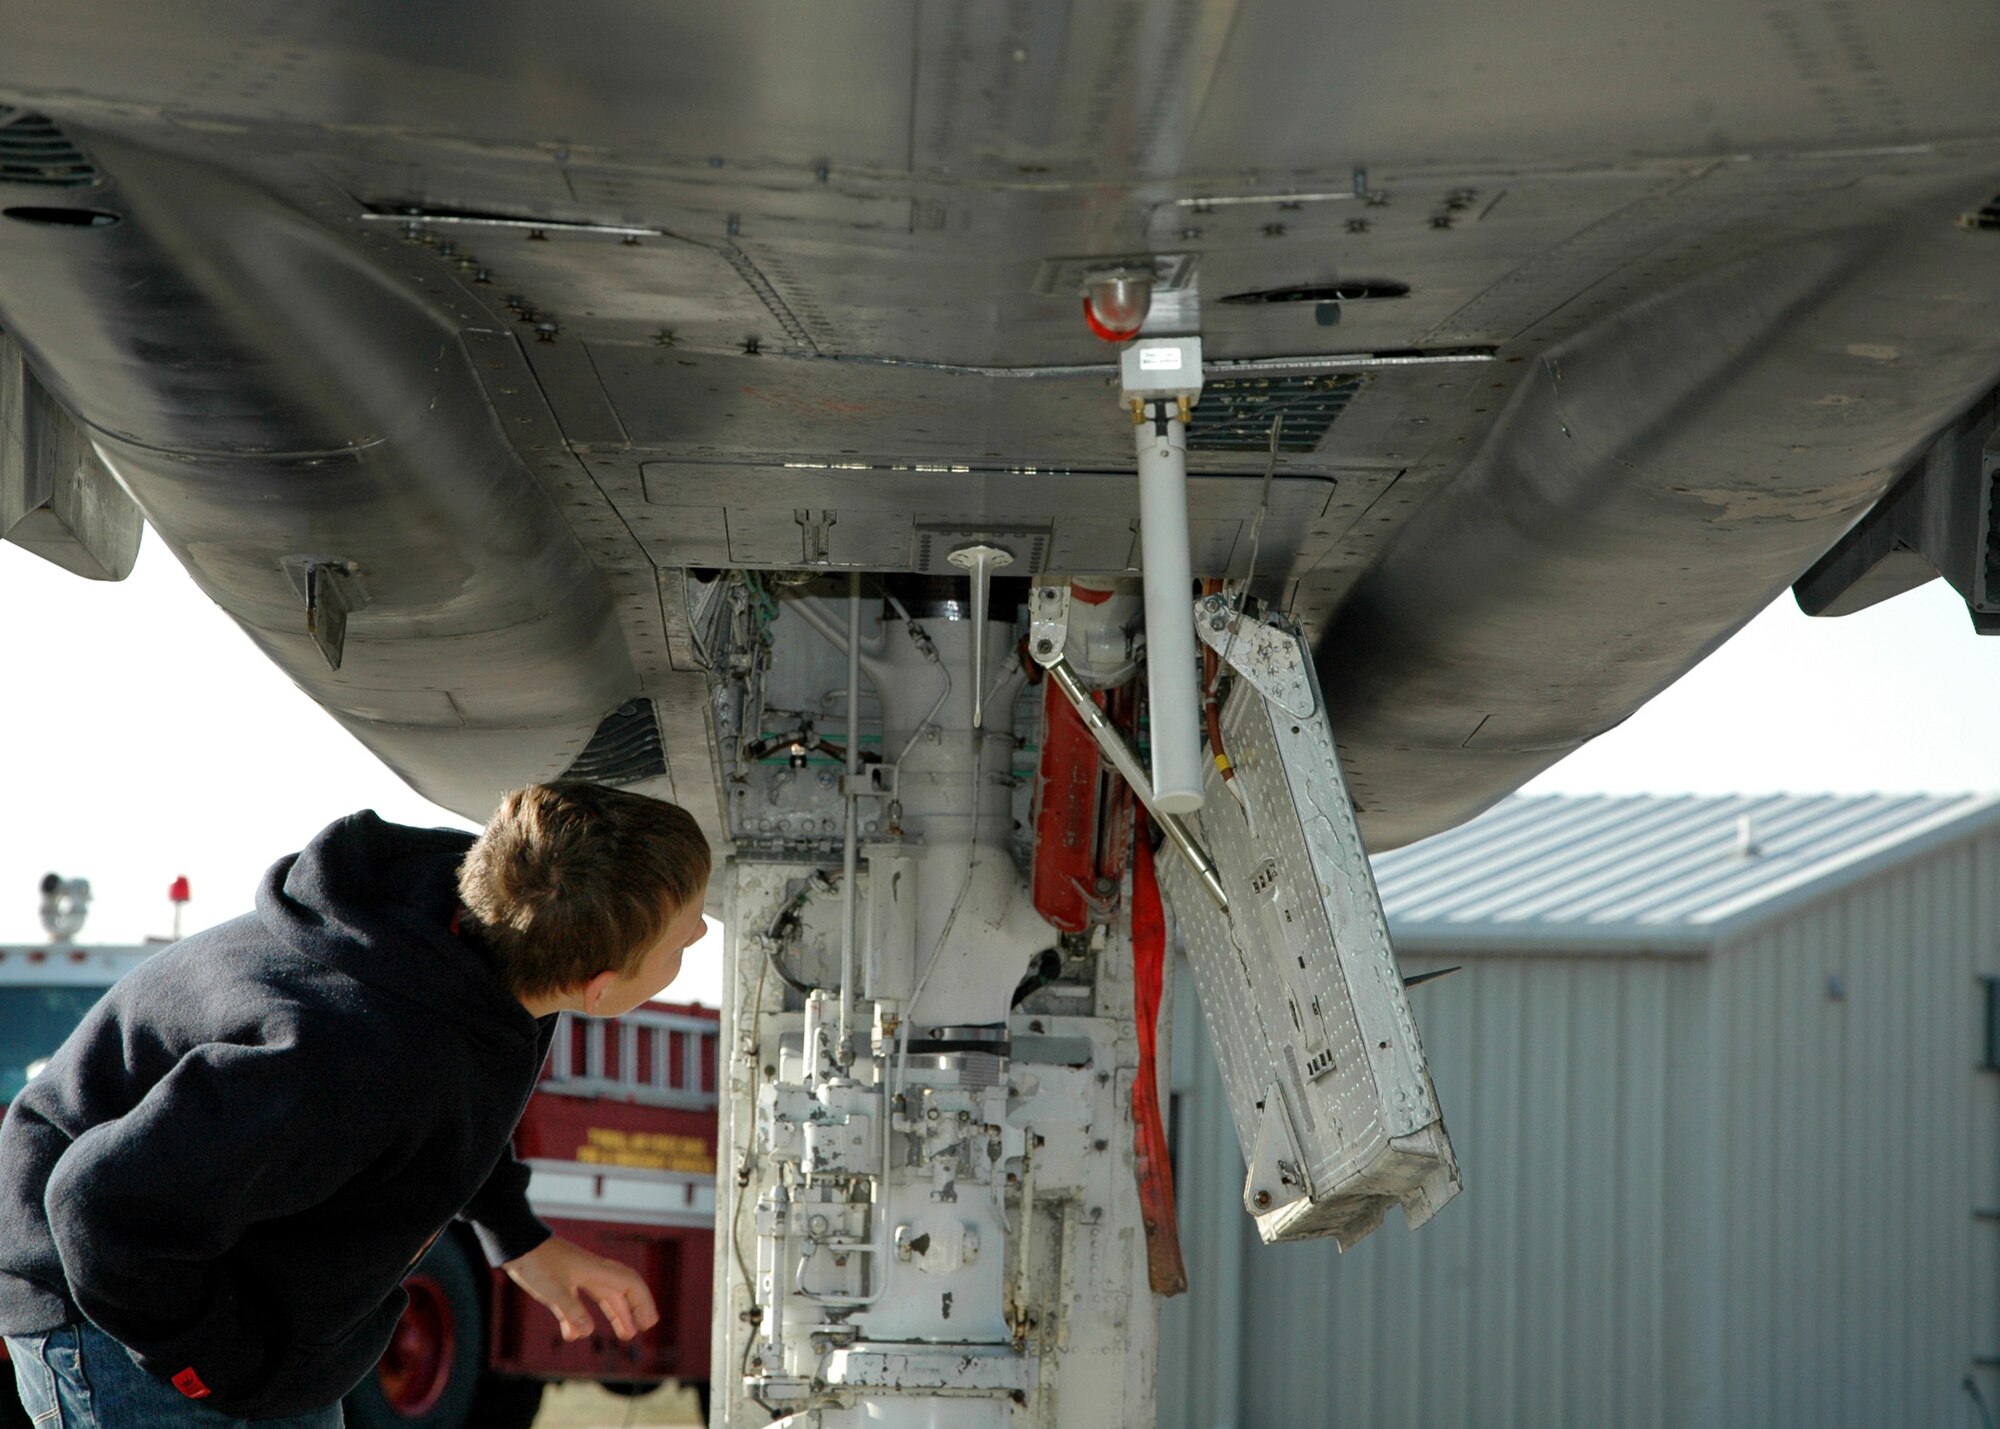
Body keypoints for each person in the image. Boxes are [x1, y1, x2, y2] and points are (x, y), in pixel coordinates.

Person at [0, 780, 711, 1427]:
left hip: (262, 1327)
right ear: (601, 984)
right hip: (113, 1315)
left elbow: (461, 1108)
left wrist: (519, 1237)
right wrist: (216, 1365)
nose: (704, 936)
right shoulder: (349, 1058)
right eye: (683, 938)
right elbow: (96, 1207)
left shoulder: (504, 939)